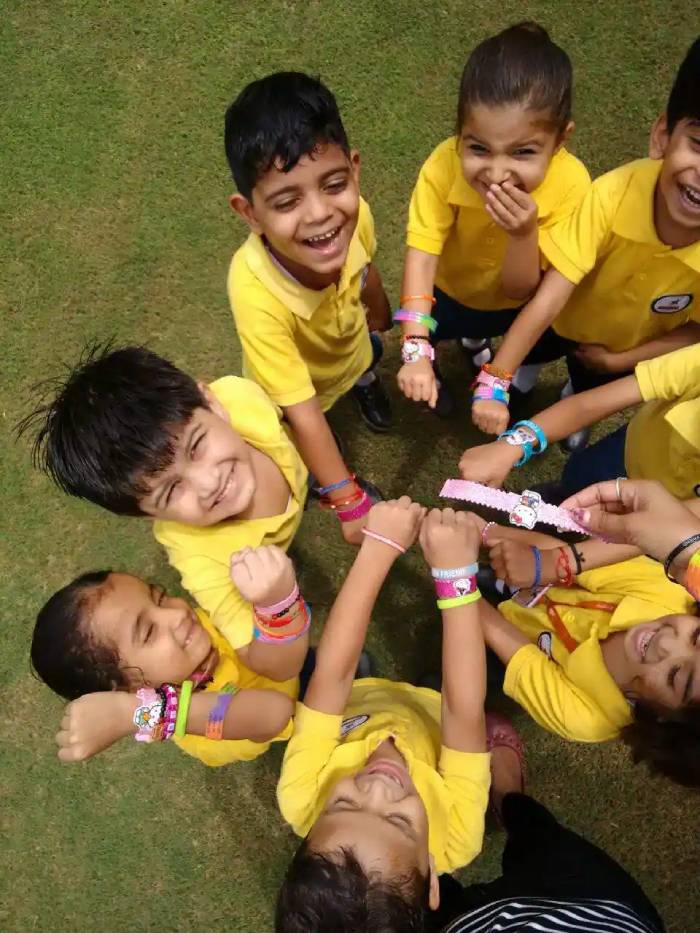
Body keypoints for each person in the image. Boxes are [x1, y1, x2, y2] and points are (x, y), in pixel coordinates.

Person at [275, 502, 515, 931]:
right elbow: (462, 710)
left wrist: (379, 546)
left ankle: (399, 685)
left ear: (307, 833)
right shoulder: (458, 834)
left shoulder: (300, 794)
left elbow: (333, 675)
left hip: (358, 698)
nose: (378, 787)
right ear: (433, 879)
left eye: (343, 803)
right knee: (449, 692)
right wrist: (455, 575)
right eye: (399, 820)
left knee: (336, 677)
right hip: (439, 717)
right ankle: (425, 689)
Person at [20, 345, 309, 681]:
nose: (208, 484)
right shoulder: (203, 560)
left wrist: (338, 487)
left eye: (196, 446)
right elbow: (278, 666)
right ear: (146, 515)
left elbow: (296, 419)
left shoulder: (238, 397)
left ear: (212, 402)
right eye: (171, 490)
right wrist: (277, 604)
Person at [472, 36, 700, 448]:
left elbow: (695, 333)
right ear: (663, 135)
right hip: (559, 319)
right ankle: (521, 382)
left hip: (624, 346)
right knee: (535, 352)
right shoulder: (611, 195)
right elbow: (549, 297)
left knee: (588, 380)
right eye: (699, 145)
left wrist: (620, 360)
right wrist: (497, 378)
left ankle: (572, 404)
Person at [225, 72, 391, 544]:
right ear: (250, 213)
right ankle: (326, 472)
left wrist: (380, 309)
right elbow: (303, 411)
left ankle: (365, 385)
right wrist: (349, 501)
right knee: (310, 435)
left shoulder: (356, 218)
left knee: (365, 363)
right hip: (299, 393)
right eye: (286, 202)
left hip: (351, 347)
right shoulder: (253, 291)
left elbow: (365, 268)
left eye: (333, 184)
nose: (320, 214)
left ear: (354, 171)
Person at [395, 21, 589, 416]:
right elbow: (422, 257)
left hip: (506, 305)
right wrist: (415, 348)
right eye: (479, 149)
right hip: (444, 291)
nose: (497, 174)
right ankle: (438, 362)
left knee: (486, 328)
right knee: (442, 331)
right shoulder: (444, 165)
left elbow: (521, 292)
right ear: (459, 133)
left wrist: (523, 235)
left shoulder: (573, 187)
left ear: (561, 140)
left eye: (523, 153)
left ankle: (474, 345)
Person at [461, 509, 700, 788]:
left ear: (662, 719)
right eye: (696, 637)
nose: (666, 642)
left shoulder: (586, 717)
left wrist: (454, 575)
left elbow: (513, 649)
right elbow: (560, 560)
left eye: (676, 676)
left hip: (509, 644)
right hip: (538, 583)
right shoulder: (669, 594)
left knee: (469, 659)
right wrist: (487, 532)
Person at [36, 546, 305, 766]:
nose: (176, 614)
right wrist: (145, 714)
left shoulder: (196, 630)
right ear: (131, 690)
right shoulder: (201, 731)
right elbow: (276, 712)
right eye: (149, 632)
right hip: (312, 711)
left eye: (160, 598)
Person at [427, 745, 664, 933]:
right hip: (594, 911)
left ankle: (429, 861)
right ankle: (507, 800)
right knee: (539, 837)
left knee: (419, 885)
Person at [458, 342, 700, 501]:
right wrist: (513, 444)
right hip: (627, 452)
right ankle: (553, 500)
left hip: (666, 523)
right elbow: (590, 404)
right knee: (577, 481)